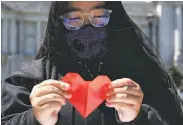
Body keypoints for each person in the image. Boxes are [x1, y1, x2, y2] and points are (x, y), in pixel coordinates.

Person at [1, 1, 183, 125]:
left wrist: (137, 117)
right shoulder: (29, 79)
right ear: (59, 23)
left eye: (99, 16)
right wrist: (34, 118)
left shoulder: (145, 76)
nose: (87, 26)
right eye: (74, 18)